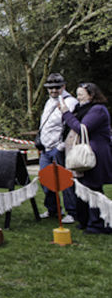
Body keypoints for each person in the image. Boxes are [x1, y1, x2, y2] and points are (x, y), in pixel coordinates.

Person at [59, 82, 112, 234]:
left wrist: (65, 112)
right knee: (83, 187)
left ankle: (98, 223)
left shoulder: (98, 110)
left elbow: (82, 128)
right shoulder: (83, 110)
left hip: (96, 154)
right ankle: (86, 220)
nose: (78, 97)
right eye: (77, 94)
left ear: (92, 95)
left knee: (93, 188)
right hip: (86, 152)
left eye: (81, 94)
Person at [38, 73, 78, 223]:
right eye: (50, 88)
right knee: (45, 179)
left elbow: (70, 125)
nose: (53, 90)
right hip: (46, 148)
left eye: (56, 87)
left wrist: (61, 146)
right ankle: (53, 209)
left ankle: (72, 211)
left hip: (59, 147)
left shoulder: (71, 102)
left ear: (63, 86)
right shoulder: (49, 102)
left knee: (65, 181)